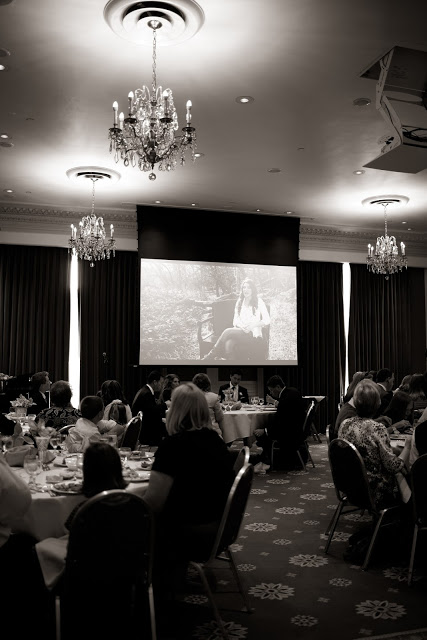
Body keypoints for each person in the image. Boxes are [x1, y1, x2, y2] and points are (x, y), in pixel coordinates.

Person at [143, 383, 235, 602]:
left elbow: (153, 504)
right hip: (220, 528)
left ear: (175, 411)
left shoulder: (173, 447)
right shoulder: (216, 441)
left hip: (188, 533)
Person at [338, 379, 410, 509]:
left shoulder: (345, 424)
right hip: (374, 491)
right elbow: (393, 466)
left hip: (349, 486)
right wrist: (408, 447)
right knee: (406, 474)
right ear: (377, 403)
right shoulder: (377, 428)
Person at [201, 278, 270, 361]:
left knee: (227, 331)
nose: (246, 290)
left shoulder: (259, 301)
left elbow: (267, 320)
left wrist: (252, 326)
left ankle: (209, 357)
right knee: (228, 344)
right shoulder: (240, 302)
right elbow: (235, 321)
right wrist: (242, 327)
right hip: (240, 331)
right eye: (244, 287)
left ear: (253, 289)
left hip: (253, 334)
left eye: (249, 287)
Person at [252, 375, 306, 473]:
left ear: (277, 387)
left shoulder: (286, 398)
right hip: (298, 429)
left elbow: (281, 423)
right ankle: (266, 458)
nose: (271, 393)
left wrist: (265, 430)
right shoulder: (291, 392)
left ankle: (268, 461)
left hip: (291, 434)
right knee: (265, 428)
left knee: (260, 434)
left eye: (271, 390)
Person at [131, 370, 167, 445]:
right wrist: (165, 405)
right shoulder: (147, 393)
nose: (162, 386)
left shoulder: (144, 390)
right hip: (146, 432)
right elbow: (151, 412)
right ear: (155, 382)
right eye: (161, 383)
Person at [192, 373, 224, 438]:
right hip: (212, 431)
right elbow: (219, 418)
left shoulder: (188, 397)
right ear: (208, 384)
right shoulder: (213, 397)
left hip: (193, 432)